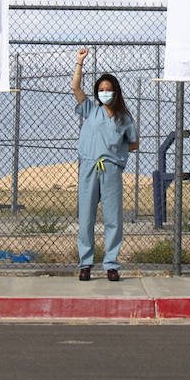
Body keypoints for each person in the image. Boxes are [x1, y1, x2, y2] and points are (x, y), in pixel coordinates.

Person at [72, 50, 138, 282]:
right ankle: (85, 264)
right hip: (89, 168)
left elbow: (133, 142)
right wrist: (80, 62)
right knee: (87, 217)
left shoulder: (123, 118)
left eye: (108, 89)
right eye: (101, 90)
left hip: (111, 170)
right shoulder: (91, 110)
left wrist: (115, 153)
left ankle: (111, 264)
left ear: (116, 91)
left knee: (112, 218)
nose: (105, 93)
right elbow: (76, 88)